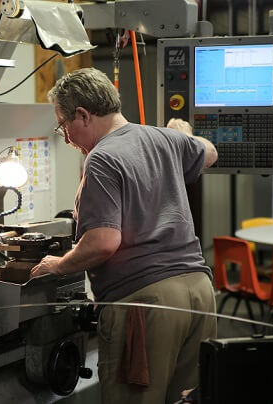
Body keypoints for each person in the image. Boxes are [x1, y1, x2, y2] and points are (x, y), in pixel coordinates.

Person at [30, 67, 218, 404]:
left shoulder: (102, 158)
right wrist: (185, 134)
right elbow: (211, 152)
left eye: (63, 125)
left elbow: (103, 242)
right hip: (200, 293)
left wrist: (57, 265)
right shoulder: (164, 139)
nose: (66, 137)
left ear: (83, 115)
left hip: (146, 304)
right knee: (188, 399)